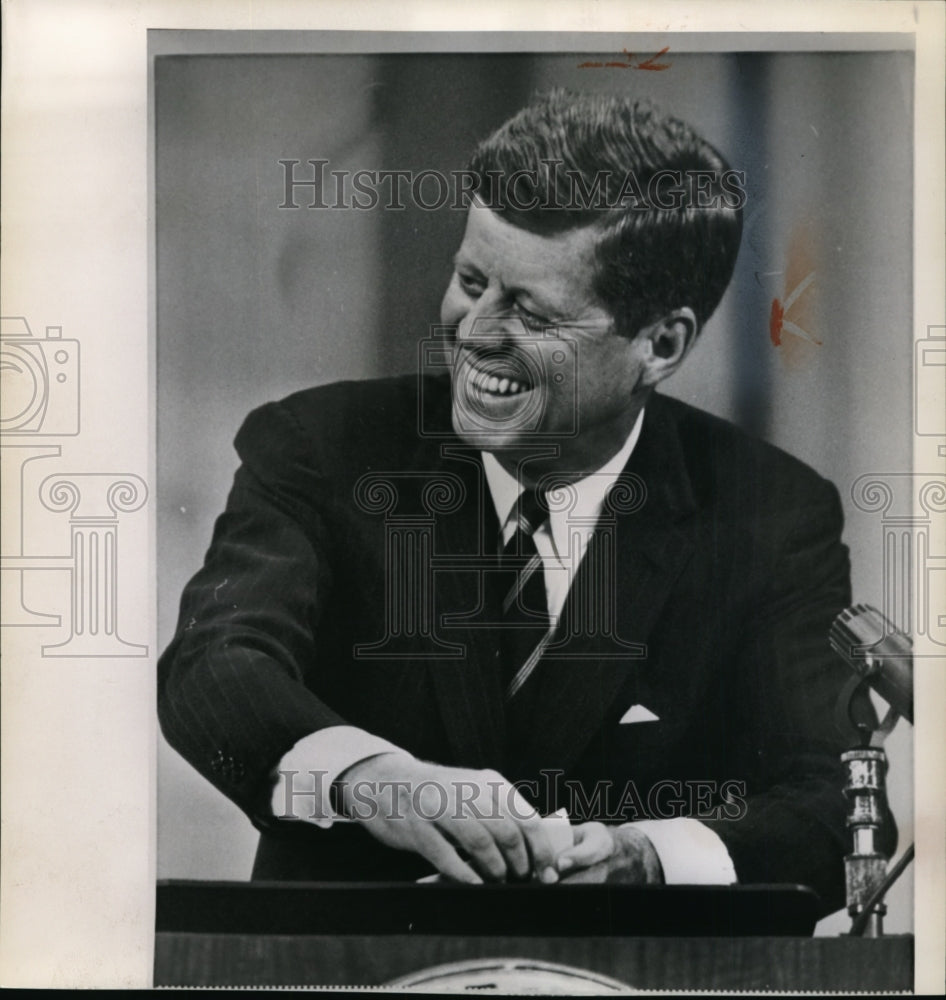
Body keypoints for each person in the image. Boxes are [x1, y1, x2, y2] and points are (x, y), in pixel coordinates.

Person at [158, 90, 887, 915]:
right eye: (472, 281)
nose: (473, 332)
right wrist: (373, 778)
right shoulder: (322, 447)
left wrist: (649, 859)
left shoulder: (771, 513)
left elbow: (836, 803)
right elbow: (213, 668)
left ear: (661, 344)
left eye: (530, 311)